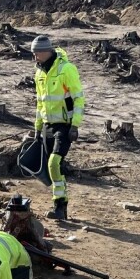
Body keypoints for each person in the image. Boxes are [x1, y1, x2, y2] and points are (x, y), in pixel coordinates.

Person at [31, 34, 84, 223]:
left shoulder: (66, 69)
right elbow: (40, 103)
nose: (34, 57)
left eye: (36, 53)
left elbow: (78, 98)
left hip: (64, 126)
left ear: (46, 51)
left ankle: (60, 205)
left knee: (54, 163)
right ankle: (59, 206)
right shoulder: (39, 73)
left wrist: (75, 125)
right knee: (53, 167)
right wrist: (37, 128)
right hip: (47, 126)